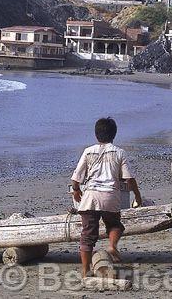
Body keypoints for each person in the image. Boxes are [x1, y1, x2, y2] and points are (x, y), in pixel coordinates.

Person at [70, 117, 142, 276]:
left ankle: (85, 271)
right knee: (115, 225)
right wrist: (137, 196)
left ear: (96, 135)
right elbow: (129, 179)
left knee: (87, 235)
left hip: (90, 197)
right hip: (110, 196)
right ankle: (112, 246)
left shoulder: (88, 151)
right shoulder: (119, 152)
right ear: (114, 135)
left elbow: (76, 178)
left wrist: (75, 190)